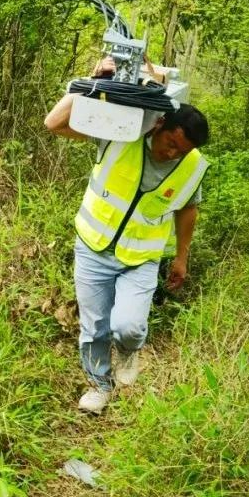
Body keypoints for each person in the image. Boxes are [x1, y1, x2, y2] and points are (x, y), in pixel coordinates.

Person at [44, 57, 210, 414]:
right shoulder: (122, 134)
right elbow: (54, 123)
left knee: (129, 327)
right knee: (94, 328)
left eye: (181, 152)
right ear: (159, 124)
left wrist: (181, 257)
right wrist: (93, 82)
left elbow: (188, 209)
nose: (172, 154)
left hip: (141, 259)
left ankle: (130, 351)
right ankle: (99, 385)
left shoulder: (192, 165)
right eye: (170, 144)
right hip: (93, 247)